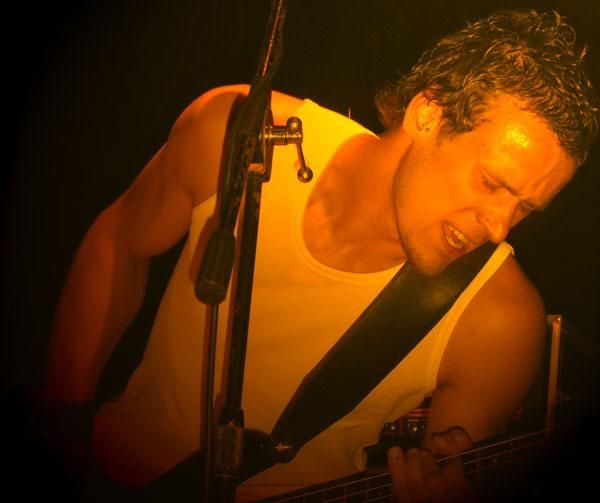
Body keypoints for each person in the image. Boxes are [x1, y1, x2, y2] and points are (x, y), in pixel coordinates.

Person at [40, 8, 598, 502]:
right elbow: (117, 244)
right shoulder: (238, 133)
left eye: (525, 208)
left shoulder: (500, 320)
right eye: (491, 183)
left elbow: (452, 471)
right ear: (428, 114)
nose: (499, 227)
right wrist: (62, 419)